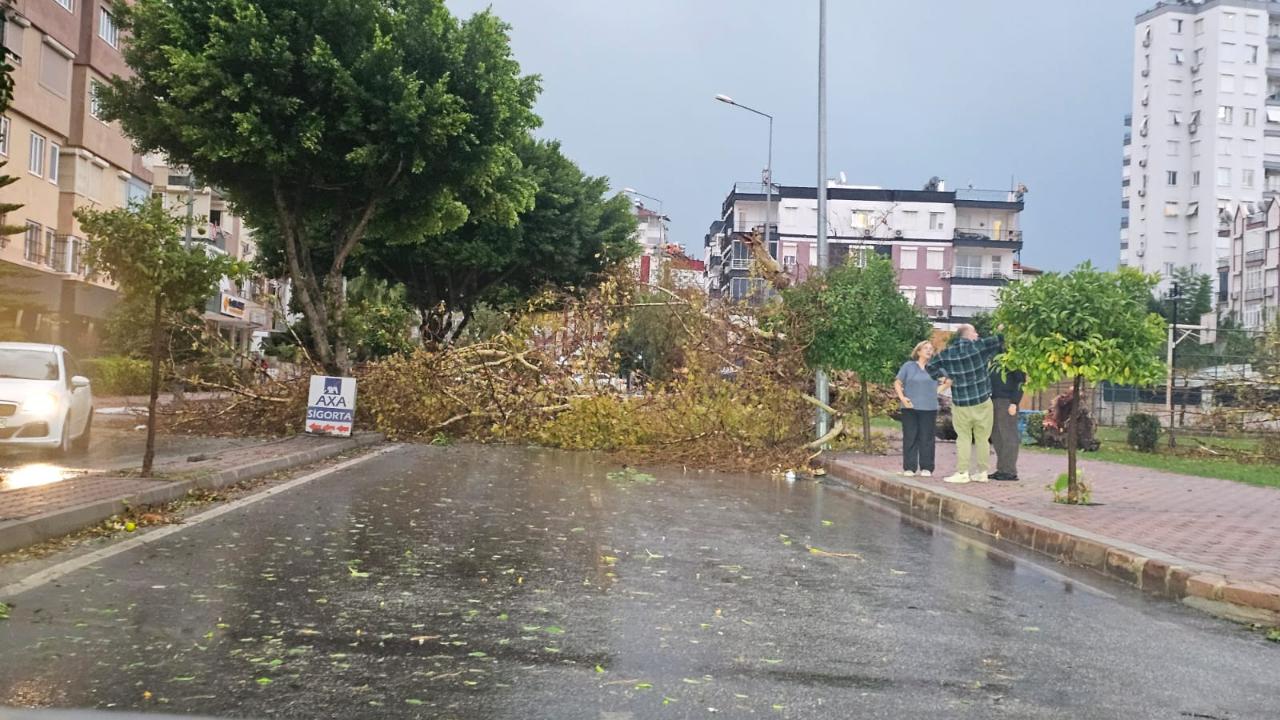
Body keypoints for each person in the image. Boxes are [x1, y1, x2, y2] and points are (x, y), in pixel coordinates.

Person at [926, 324, 1003, 484]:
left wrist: (947, 375)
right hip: (982, 401)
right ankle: (982, 472)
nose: (977, 334)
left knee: (963, 438)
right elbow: (999, 340)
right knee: (983, 438)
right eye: (975, 332)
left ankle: (963, 472)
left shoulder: (947, 354)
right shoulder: (979, 347)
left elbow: (930, 369)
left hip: (961, 403)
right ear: (968, 334)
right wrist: (1000, 329)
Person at [893, 340, 948, 477]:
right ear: (918, 352)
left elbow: (950, 379)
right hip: (910, 407)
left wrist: (938, 390)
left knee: (927, 438)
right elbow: (898, 382)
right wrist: (902, 398)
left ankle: (926, 467)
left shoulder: (935, 368)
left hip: (929, 408)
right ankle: (909, 468)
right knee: (910, 437)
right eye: (926, 348)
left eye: (931, 349)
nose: (929, 351)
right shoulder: (908, 366)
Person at [989, 363, 1026, 481]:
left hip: (1007, 401)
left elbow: (1020, 382)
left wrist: (1014, 402)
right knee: (997, 436)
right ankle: (1002, 469)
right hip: (993, 400)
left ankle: (1010, 471)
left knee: (1009, 435)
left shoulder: (1013, 360)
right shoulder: (994, 359)